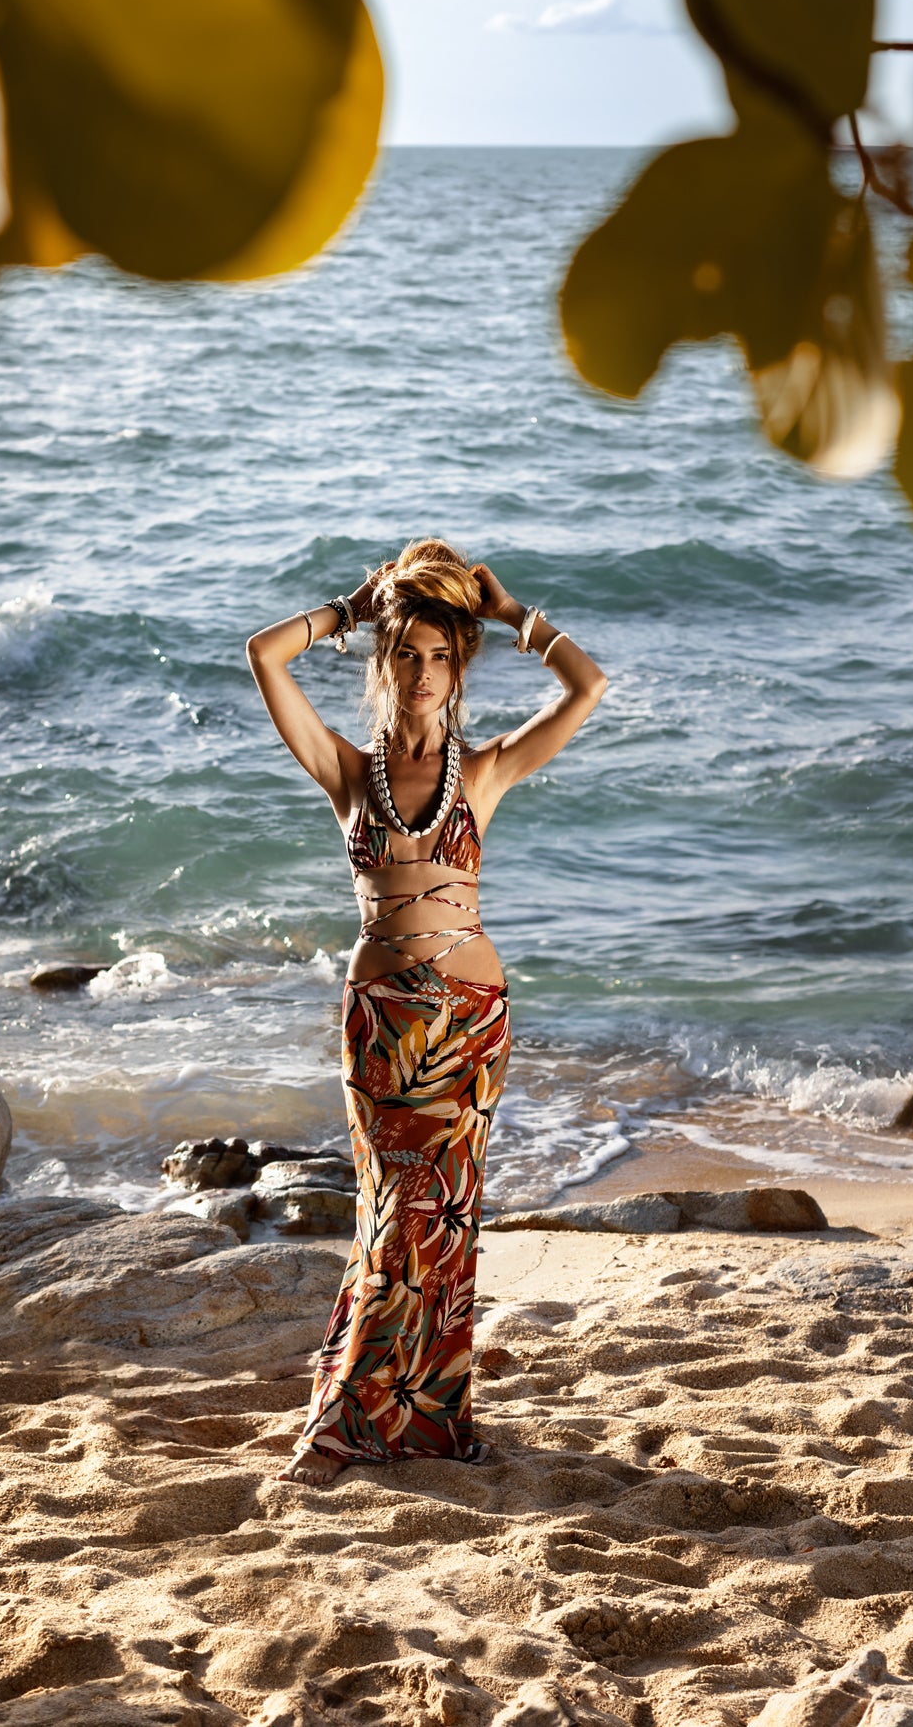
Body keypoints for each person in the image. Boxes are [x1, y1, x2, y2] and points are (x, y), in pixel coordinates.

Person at [245, 539, 607, 1488]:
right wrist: (352, 605)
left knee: (440, 1223)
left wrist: (511, 611)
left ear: (460, 666)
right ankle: (353, 1416)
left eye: (441, 656)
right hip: (381, 1026)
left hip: (470, 1021)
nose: (421, 673)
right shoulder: (346, 775)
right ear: (382, 659)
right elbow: (263, 654)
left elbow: (586, 687)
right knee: (388, 1217)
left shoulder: (482, 773)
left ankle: (418, 1417)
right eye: (405, 653)